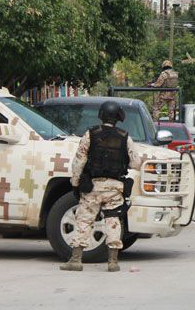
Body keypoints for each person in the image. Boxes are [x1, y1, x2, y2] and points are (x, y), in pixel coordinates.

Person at [60, 101, 142, 272]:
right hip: (114, 188)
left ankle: (75, 260)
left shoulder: (91, 134)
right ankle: (112, 262)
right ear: (118, 118)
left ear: (101, 115)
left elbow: (79, 160)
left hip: (92, 186)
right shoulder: (125, 136)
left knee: (84, 220)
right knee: (113, 221)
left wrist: (75, 183)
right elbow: (136, 163)